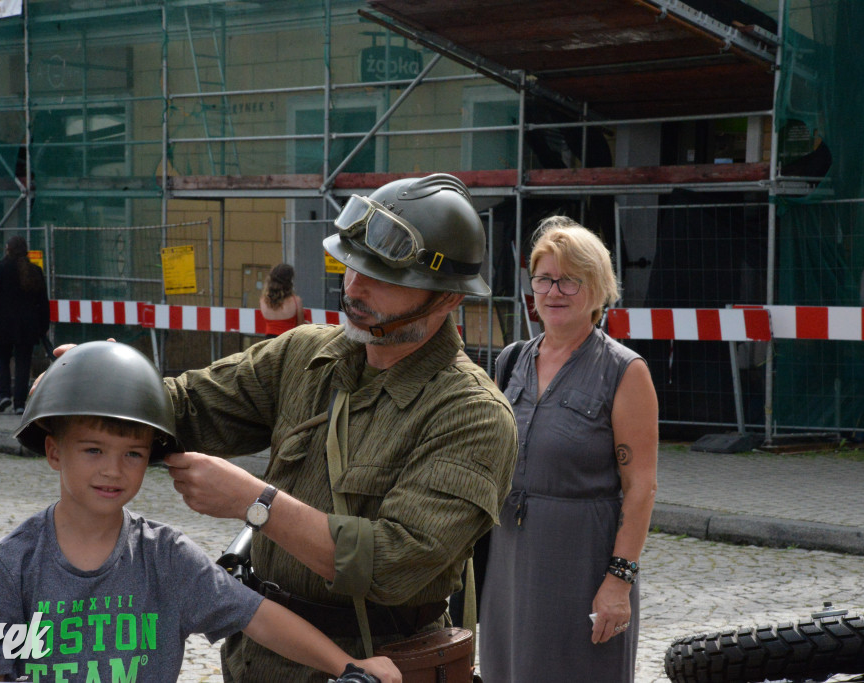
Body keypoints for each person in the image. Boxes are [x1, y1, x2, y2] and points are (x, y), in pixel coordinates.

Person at [158, 173, 518, 682]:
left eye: (384, 278)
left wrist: (257, 504)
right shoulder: (307, 354)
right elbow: (189, 406)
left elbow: (393, 562)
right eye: (351, 266)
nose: (354, 287)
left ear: (447, 299)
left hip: (369, 668)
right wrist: (97, 388)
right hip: (259, 658)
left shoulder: (472, 414)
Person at [0, 341, 400, 683]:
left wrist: (348, 665)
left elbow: (258, 616)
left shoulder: (167, 558)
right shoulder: (9, 565)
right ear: (54, 452)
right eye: (93, 450)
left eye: (133, 454)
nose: (113, 469)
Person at [479, 216, 659, 682]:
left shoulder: (624, 371)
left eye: (569, 281)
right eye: (544, 279)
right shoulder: (511, 360)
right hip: (511, 561)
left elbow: (641, 487)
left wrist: (618, 582)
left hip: (581, 562)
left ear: (597, 289)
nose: (553, 291)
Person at [0, 234, 50, 415]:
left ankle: (4, 395)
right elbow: (43, 302)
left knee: (1, 359)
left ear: (7, 250)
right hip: (27, 326)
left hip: (3, 324)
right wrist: (43, 326)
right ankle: (20, 403)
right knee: (23, 362)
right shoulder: (34, 271)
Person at [260, 262, 305, 338]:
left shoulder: (263, 300)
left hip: (269, 342)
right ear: (289, 281)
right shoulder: (296, 301)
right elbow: (300, 328)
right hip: (288, 341)